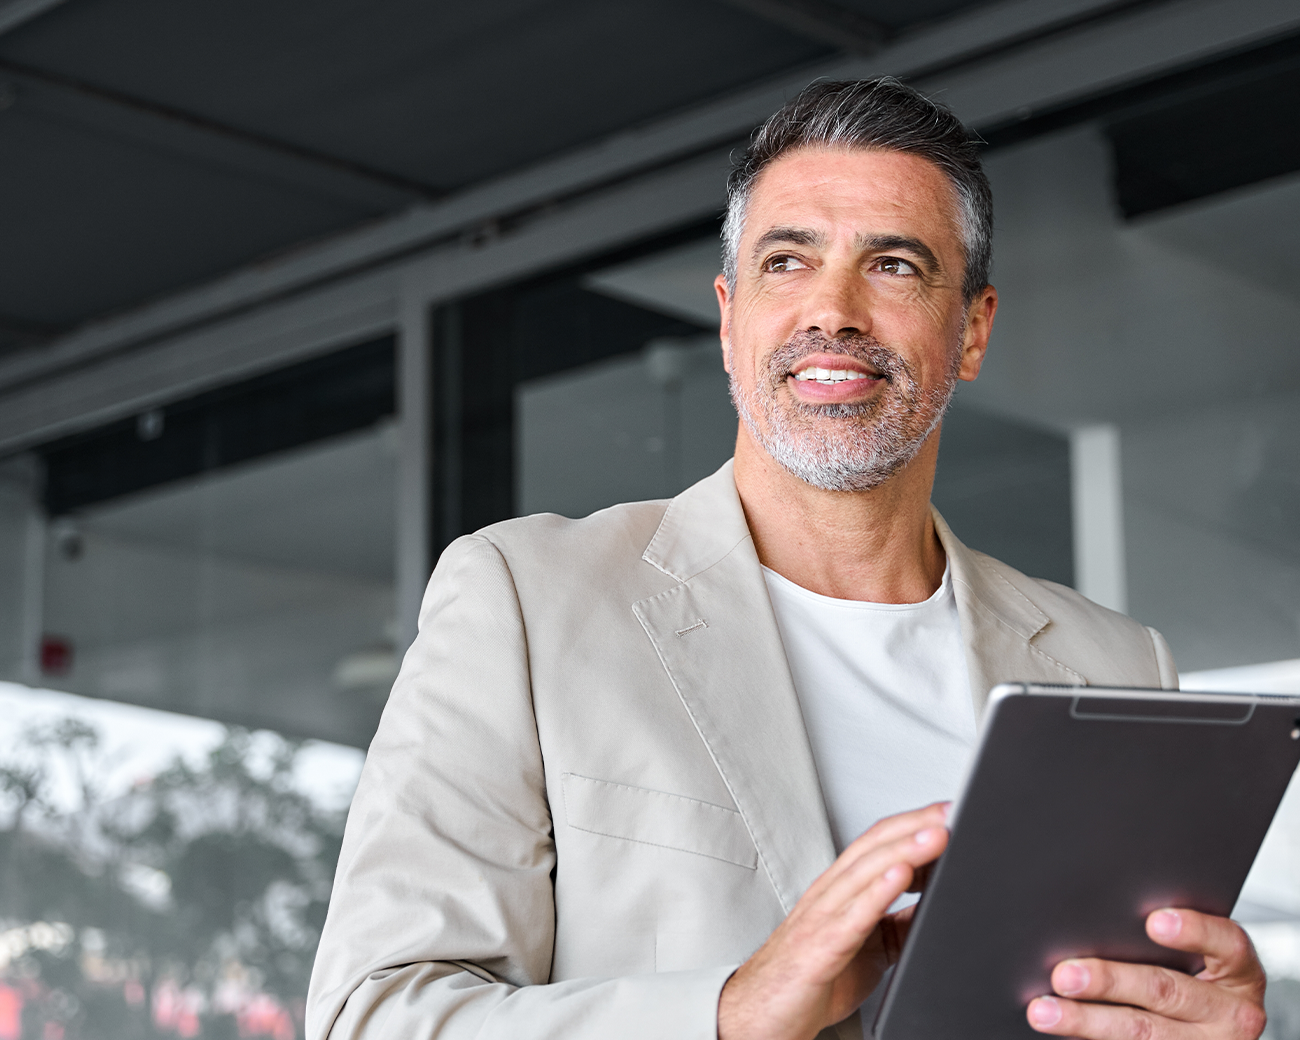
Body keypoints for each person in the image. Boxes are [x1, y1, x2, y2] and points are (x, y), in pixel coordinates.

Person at [305, 79, 1267, 1040]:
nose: (833, 312)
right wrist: (730, 1013)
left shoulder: (1118, 665)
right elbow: (373, 1016)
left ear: (972, 329)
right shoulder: (526, 600)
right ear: (730, 319)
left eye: (893, 265)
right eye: (787, 262)